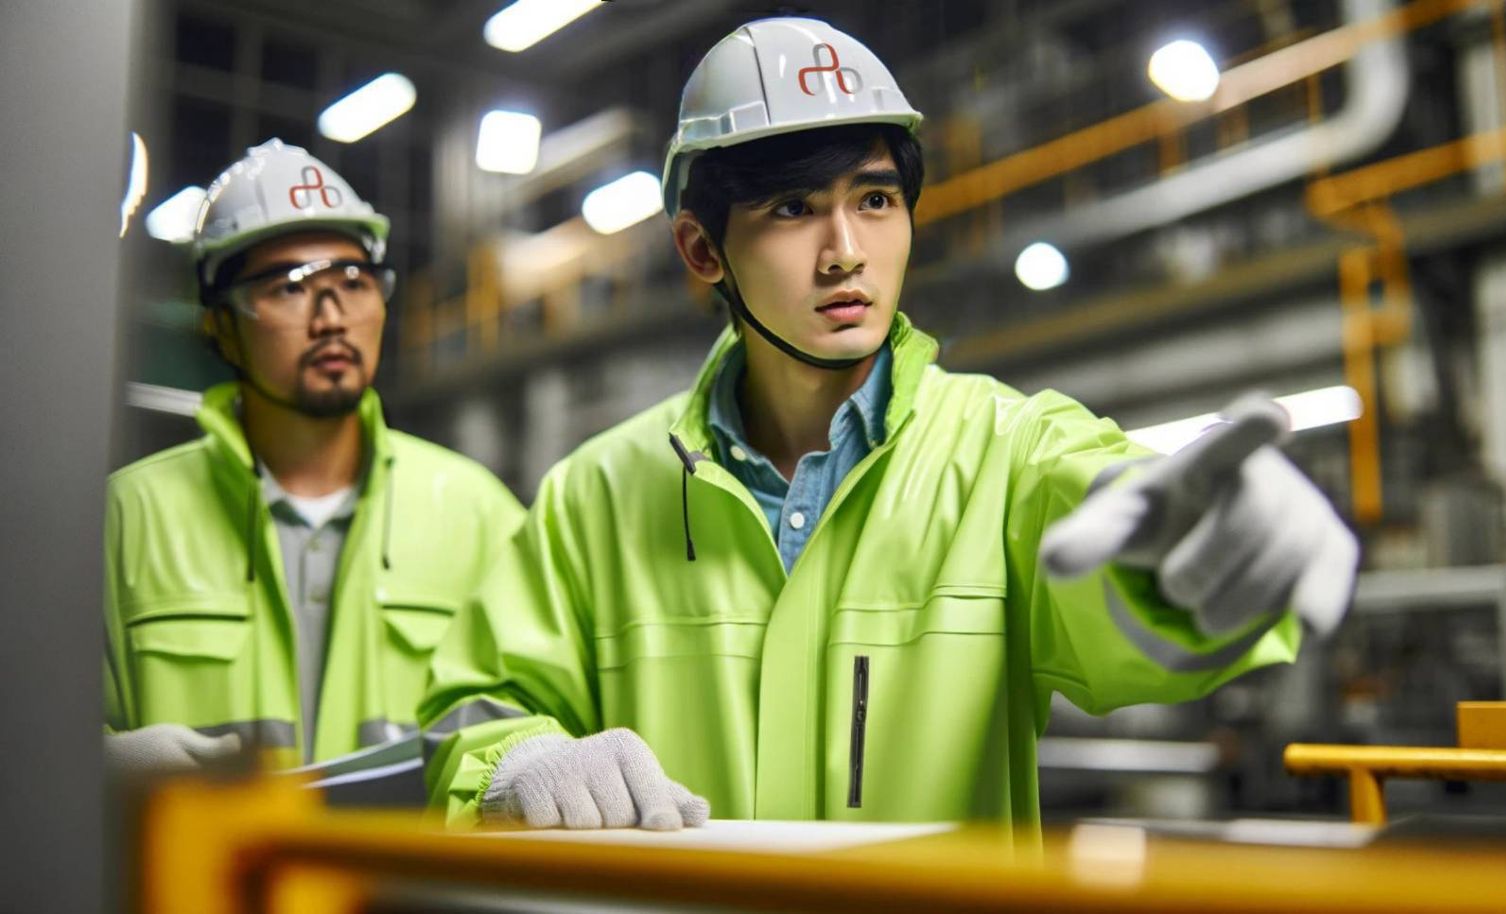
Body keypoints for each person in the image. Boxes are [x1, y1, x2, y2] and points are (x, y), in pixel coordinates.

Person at [418, 18, 1358, 836]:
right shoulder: (597, 496)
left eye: (874, 200)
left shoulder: (1009, 453)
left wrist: (1188, 548)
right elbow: (477, 711)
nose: (845, 253)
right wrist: (517, 762)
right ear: (702, 249)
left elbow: (1111, 551)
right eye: (793, 209)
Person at [104, 140, 524, 773]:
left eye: (353, 282)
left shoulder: (479, 516)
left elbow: (534, 715)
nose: (332, 318)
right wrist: (100, 768)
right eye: (289, 287)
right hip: (192, 845)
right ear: (219, 326)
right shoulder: (125, 519)